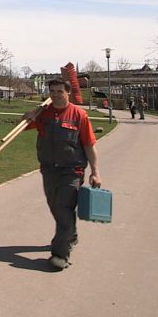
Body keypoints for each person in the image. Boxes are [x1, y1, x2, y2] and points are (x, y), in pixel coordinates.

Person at [22, 78, 101, 270]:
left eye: (60, 91)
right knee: (55, 207)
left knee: (64, 208)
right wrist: (28, 117)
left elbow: (89, 145)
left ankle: (60, 254)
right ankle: (70, 236)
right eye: (52, 91)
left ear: (68, 93)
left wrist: (95, 172)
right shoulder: (44, 113)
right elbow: (22, 128)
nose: (56, 95)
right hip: (49, 169)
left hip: (72, 170)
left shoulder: (79, 115)